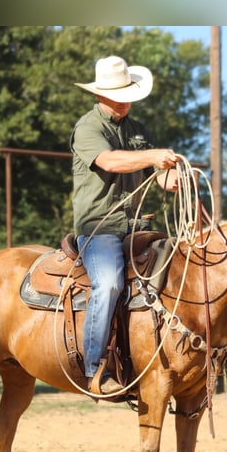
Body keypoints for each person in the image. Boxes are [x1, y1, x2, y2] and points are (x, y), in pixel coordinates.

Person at [70, 55, 180, 394]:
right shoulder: (88, 127)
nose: (125, 99)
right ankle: (95, 367)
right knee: (109, 284)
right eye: (118, 92)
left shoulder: (137, 131)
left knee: (181, 269)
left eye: (128, 92)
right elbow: (109, 161)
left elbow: (156, 176)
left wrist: (172, 177)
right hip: (99, 228)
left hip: (136, 226)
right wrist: (152, 156)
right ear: (100, 93)